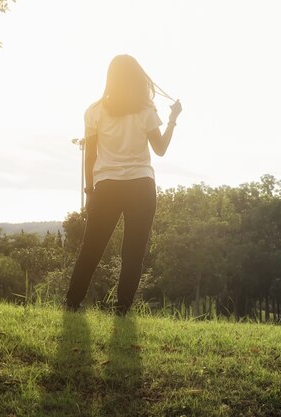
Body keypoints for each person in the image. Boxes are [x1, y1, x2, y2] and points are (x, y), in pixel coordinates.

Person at [65, 54, 182, 315]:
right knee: (133, 253)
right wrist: (173, 119)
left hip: (106, 186)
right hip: (141, 186)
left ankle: (72, 304)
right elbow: (160, 149)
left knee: (91, 249)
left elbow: (91, 155)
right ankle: (122, 310)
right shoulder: (146, 110)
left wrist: (89, 190)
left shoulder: (94, 111)